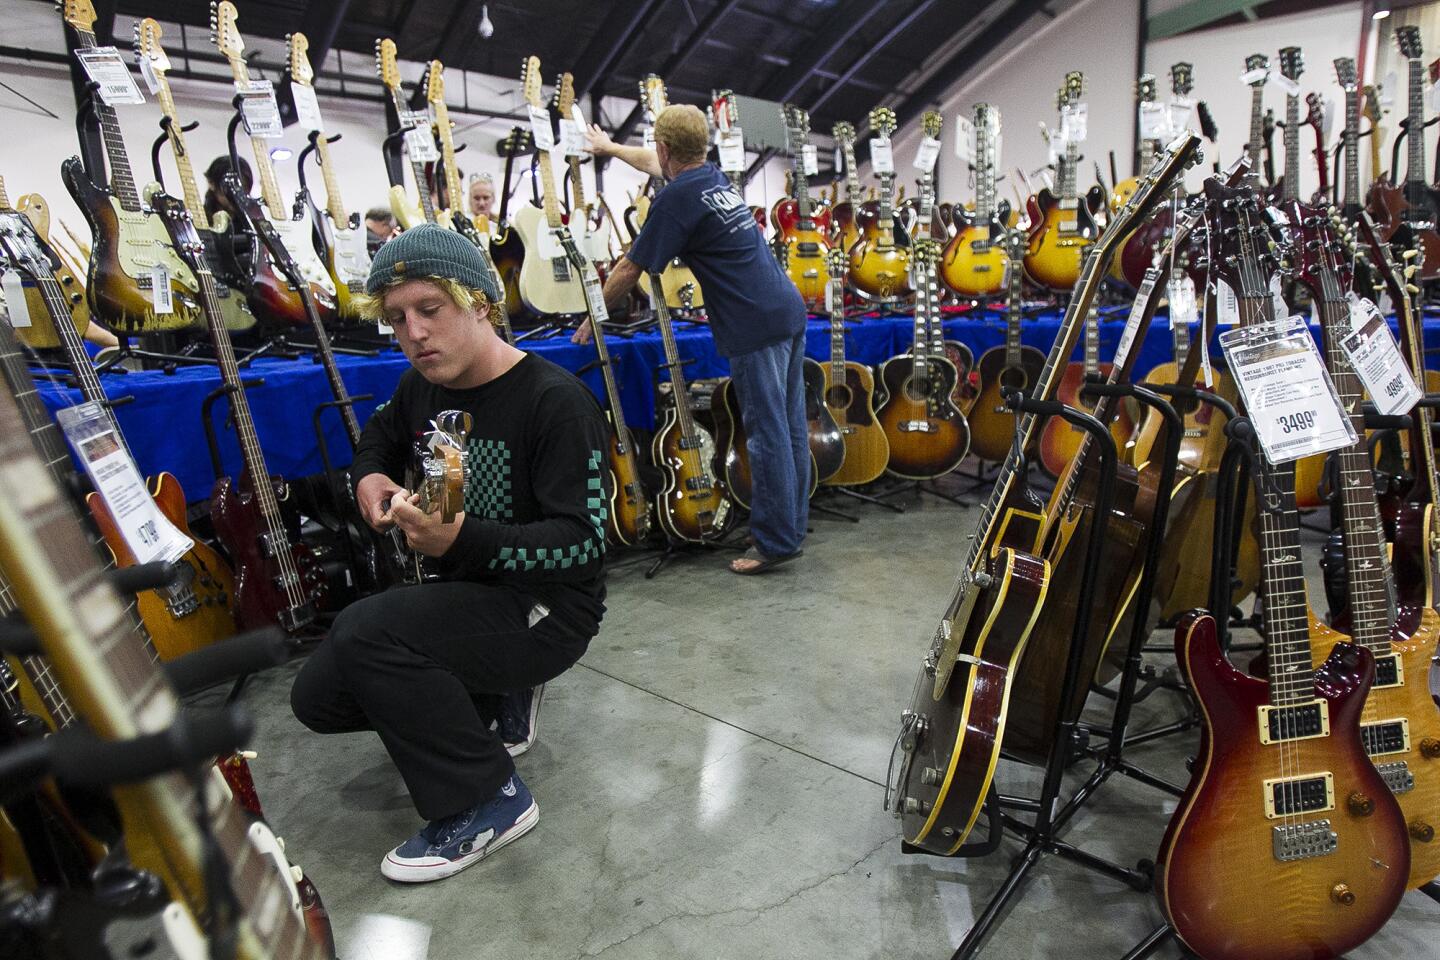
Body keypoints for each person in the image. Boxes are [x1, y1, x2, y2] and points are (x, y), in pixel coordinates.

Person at [290, 223, 610, 883]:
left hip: (546, 609)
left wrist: (458, 538)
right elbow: (379, 435)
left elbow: (583, 546)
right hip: (466, 590)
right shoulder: (424, 385)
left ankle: (488, 797)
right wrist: (370, 478)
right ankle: (492, 697)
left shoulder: (556, 403)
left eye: (430, 310)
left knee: (365, 632)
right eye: (397, 318)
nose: (413, 332)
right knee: (318, 697)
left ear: (480, 305)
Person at [579, 105, 809, 575]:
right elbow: (653, 160)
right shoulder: (711, 177)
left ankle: (775, 543)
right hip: (786, 307)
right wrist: (608, 149)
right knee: (787, 428)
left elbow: (629, 267)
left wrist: (593, 316)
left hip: (754, 325)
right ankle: (788, 527)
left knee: (768, 435)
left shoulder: (676, 198)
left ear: (667, 149)